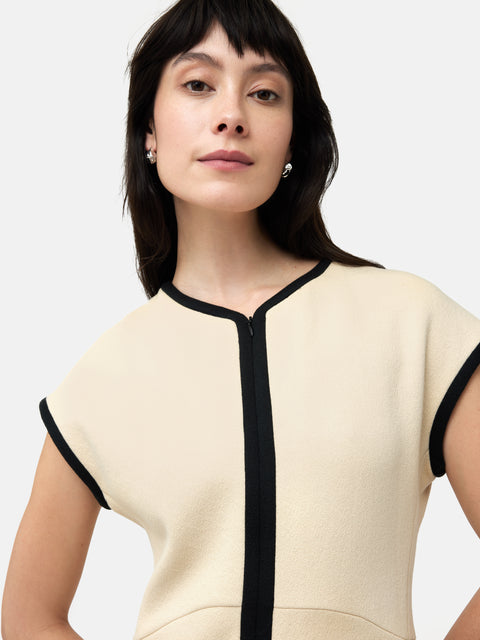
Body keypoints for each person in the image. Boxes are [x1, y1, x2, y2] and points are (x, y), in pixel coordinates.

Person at [2, 0, 480, 638]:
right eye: (198, 85)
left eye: (264, 93)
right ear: (148, 130)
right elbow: (27, 616)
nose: (231, 115)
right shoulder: (104, 376)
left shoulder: (414, 325)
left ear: (293, 137)